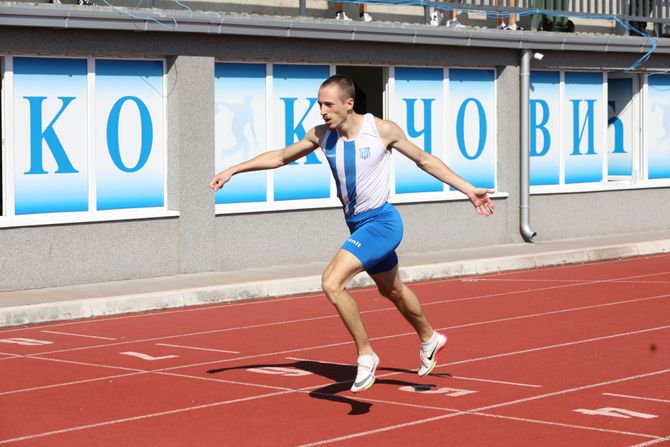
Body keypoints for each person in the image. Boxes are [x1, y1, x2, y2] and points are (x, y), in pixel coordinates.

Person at [210, 74, 495, 393]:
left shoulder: (381, 130)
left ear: (349, 104)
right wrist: (233, 169)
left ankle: (366, 355)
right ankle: (430, 338)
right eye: (318, 104)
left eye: (328, 104)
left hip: (382, 223)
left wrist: (468, 190)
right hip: (357, 225)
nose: (321, 110)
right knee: (393, 291)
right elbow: (279, 156)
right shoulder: (321, 135)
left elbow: (424, 160)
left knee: (331, 282)